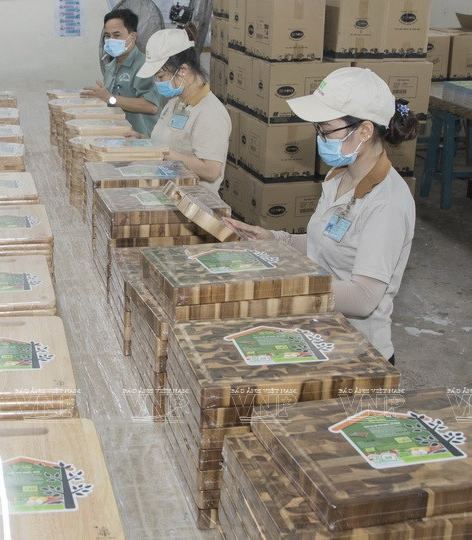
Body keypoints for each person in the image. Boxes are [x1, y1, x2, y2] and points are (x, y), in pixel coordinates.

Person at [224, 67, 419, 365]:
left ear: (365, 131)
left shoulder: (387, 203)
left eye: (326, 129)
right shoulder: (339, 176)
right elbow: (323, 244)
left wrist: (286, 284)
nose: (320, 136)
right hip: (320, 332)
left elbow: (364, 297)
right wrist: (274, 239)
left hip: (358, 353)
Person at [133, 27, 230, 195]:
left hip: (194, 202)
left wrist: (164, 153)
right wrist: (142, 140)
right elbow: (169, 142)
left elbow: (211, 170)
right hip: (168, 192)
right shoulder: (175, 103)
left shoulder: (210, 113)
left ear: (183, 70)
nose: (157, 82)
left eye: (161, 76)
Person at [81, 9, 160, 137]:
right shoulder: (110, 66)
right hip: (117, 136)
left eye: (117, 35)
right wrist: (98, 98)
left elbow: (151, 106)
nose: (111, 40)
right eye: (107, 35)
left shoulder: (145, 65)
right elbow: (110, 98)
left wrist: (110, 98)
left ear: (133, 36)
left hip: (141, 139)